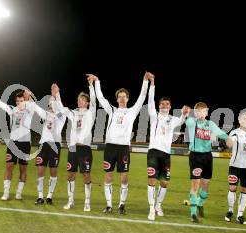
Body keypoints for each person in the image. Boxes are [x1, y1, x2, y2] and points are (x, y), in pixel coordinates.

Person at [93, 72, 149, 214]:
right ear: (117, 99)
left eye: (124, 96)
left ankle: (122, 205)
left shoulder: (132, 112)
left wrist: (145, 81)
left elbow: (142, 97)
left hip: (124, 147)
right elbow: (100, 98)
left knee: (124, 177)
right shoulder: (112, 110)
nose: (122, 98)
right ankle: (109, 205)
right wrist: (97, 81)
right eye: (120, 96)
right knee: (108, 176)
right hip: (110, 147)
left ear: (128, 99)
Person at [146, 73, 190, 220]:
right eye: (162, 104)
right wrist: (152, 83)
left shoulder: (173, 120)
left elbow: (182, 120)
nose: (164, 106)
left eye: (167, 104)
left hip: (166, 154)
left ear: (170, 107)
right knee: (151, 180)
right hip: (153, 152)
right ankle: (152, 208)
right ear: (159, 106)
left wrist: (184, 114)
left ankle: (158, 205)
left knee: (164, 183)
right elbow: (150, 100)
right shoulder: (154, 115)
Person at [0, 81, 35, 200]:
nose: (19, 103)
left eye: (21, 101)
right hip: (13, 143)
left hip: (25, 144)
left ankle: (19, 193)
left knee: (23, 169)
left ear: (25, 101)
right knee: (9, 166)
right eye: (17, 101)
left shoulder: (30, 110)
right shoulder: (12, 110)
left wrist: (28, 98)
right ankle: (6, 192)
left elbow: (33, 104)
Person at [185, 102, 232, 222]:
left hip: (207, 156)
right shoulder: (192, 122)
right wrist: (185, 113)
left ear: (206, 112)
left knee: (205, 185)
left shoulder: (210, 124)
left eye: (203, 111)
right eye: (198, 111)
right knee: (195, 184)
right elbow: (186, 119)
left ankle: (200, 204)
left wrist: (227, 138)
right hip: (195, 157)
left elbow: (219, 132)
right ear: (195, 113)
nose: (201, 113)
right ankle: (193, 214)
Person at [59, 76, 96, 211]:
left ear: (87, 102)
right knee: (70, 175)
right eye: (78, 99)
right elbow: (62, 108)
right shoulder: (73, 113)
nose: (79, 101)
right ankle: (70, 201)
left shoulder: (90, 113)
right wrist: (57, 94)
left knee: (86, 175)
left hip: (85, 149)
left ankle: (87, 202)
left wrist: (91, 85)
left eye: (82, 100)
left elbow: (94, 101)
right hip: (73, 149)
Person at [33, 83, 67, 205]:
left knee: (53, 171)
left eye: (53, 102)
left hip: (55, 145)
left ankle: (49, 196)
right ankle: (40, 196)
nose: (51, 104)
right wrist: (28, 98)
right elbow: (35, 107)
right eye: (49, 102)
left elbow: (61, 108)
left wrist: (56, 94)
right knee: (40, 171)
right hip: (43, 145)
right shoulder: (46, 114)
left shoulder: (61, 117)